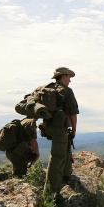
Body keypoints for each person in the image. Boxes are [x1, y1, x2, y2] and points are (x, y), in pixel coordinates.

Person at [44, 67, 79, 195]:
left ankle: (65, 175)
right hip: (60, 128)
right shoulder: (66, 91)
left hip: (48, 127)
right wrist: (74, 130)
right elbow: (73, 114)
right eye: (69, 77)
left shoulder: (49, 89)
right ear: (63, 76)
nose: (70, 80)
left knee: (64, 149)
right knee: (57, 157)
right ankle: (51, 192)